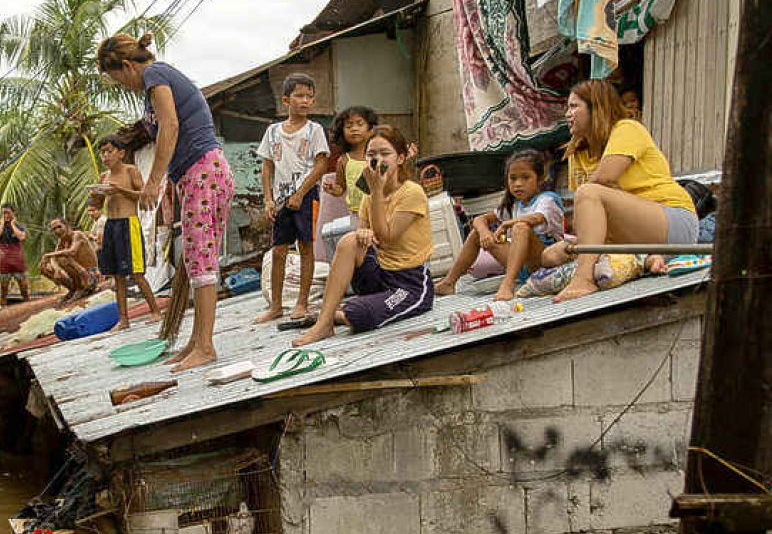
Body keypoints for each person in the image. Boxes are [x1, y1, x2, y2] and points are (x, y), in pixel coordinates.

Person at [97, 32, 235, 372]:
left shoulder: (155, 75)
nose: (124, 86)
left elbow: (170, 126)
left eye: (119, 79)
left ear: (128, 66)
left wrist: (154, 182)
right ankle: (195, 341)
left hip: (205, 171)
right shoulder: (157, 80)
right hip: (197, 174)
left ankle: (205, 346)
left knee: (200, 260)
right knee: (194, 258)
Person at [549, 79, 696, 301]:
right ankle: (646, 259)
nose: (567, 114)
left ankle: (583, 279)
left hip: (672, 220)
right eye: (567, 108)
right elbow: (583, 217)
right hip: (632, 234)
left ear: (596, 107)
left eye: (574, 106)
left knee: (588, 193)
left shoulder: (627, 128)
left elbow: (603, 180)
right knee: (549, 254)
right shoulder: (577, 153)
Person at [293, 125, 434, 346]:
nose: (377, 160)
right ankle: (324, 322)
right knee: (350, 240)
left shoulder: (411, 192)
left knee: (356, 314)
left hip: (408, 285)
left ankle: (339, 313)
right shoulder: (370, 194)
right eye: (371, 155)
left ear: (400, 158)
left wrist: (376, 191)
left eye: (385, 153)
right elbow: (365, 232)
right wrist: (363, 231)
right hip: (379, 273)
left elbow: (386, 237)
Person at [435, 149, 565, 301]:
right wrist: (484, 233)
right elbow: (479, 219)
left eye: (525, 178)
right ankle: (449, 282)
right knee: (476, 233)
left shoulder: (547, 199)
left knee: (521, 227)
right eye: (513, 179)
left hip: (546, 263)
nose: (518, 184)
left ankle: (507, 284)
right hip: (522, 267)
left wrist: (506, 225)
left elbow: (536, 219)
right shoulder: (514, 205)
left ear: (540, 178)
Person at [254, 74, 330, 325]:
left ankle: (301, 302)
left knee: (305, 247)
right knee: (278, 251)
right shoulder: (273, 131)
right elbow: (267, 167)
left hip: (306, 197)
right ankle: (276, 306)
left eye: (309, 96)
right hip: (280, 199)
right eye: (299, 95)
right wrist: (268, 200)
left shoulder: (314, 130)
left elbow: (321, 164)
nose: (305, 101)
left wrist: (300, 193)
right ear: (286, 99)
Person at [90, 134, 162, 330]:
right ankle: (123, 319)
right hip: (111, 226)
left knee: (136, 273)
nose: (105, 156)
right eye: (102, 152)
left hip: (129, 224)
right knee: (117, 276)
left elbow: (142, 195)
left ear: (121, 153)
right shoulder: (103, 177)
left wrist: (121, 190)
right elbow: (97, 204)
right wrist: (95, 196)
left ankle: (155, 310)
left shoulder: (131, 171)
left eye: (109, 151)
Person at [322, 105, 379, 229]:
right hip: (356, 213)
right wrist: (333, 189)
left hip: (380, 210)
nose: (354, 129)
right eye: (348, 126)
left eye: (359, 124)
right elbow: (341, 188)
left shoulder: (379, 156)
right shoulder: (343, 160)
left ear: (370, 129)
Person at [39, 218, 100, 300]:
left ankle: (81, 288)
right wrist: (57, 270)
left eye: (59, 227)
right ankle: (73, 289)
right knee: (44, 267)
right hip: (80, 274)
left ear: (67, 226)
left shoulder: (77, 234)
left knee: (63, 259)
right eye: (54, 229)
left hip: (91, 275)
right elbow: (53, 258)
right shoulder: (62, 241)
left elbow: (72, 251)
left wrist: (48, 255)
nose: (57, 231)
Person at [0, 204, 30, 306]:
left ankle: (27, 307)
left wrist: (13, 224)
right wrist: (2, 223)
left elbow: (21, 237)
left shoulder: (19, 226)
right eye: (4, 213)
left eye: (8, 212)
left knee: (24, 289)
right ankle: (1, 309)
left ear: (13, 213)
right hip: (4, 261)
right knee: (3, 290)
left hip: (18, 260)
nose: (6, 215)